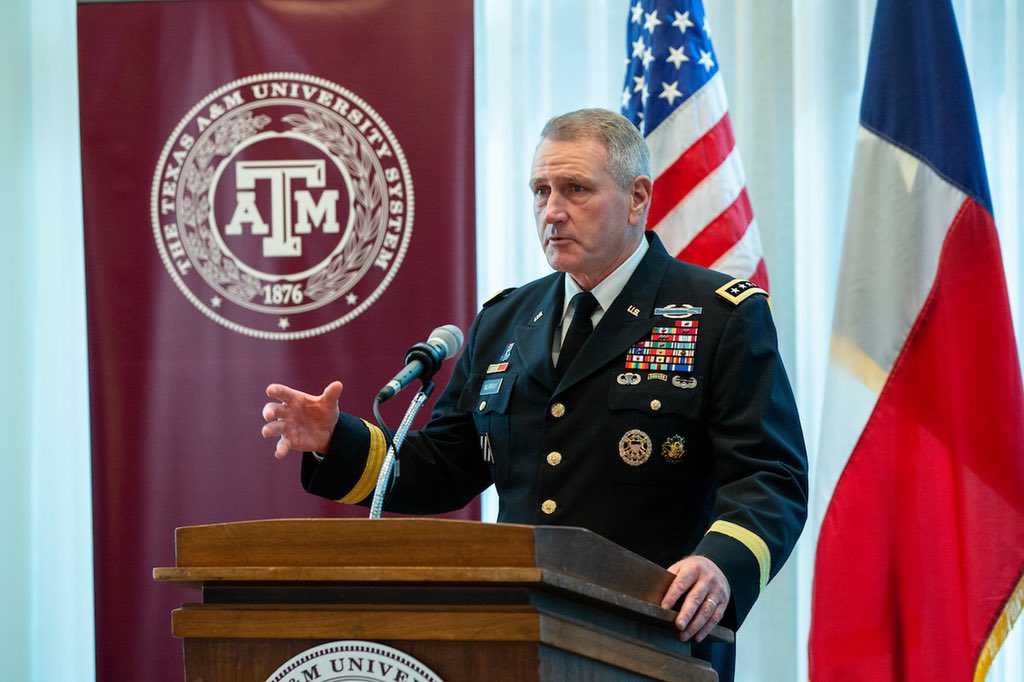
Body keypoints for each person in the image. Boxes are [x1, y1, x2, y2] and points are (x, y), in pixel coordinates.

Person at [262, 108, 808, 679]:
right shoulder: (506, 320)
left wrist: (721, 566)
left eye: (575, 189)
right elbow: (446, 465)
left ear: (637, 198)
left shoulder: (718, 315)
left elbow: (771, 474)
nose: (552, 211)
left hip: (655, 639)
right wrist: (336, 441)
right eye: (540, 190)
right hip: (517, 640)